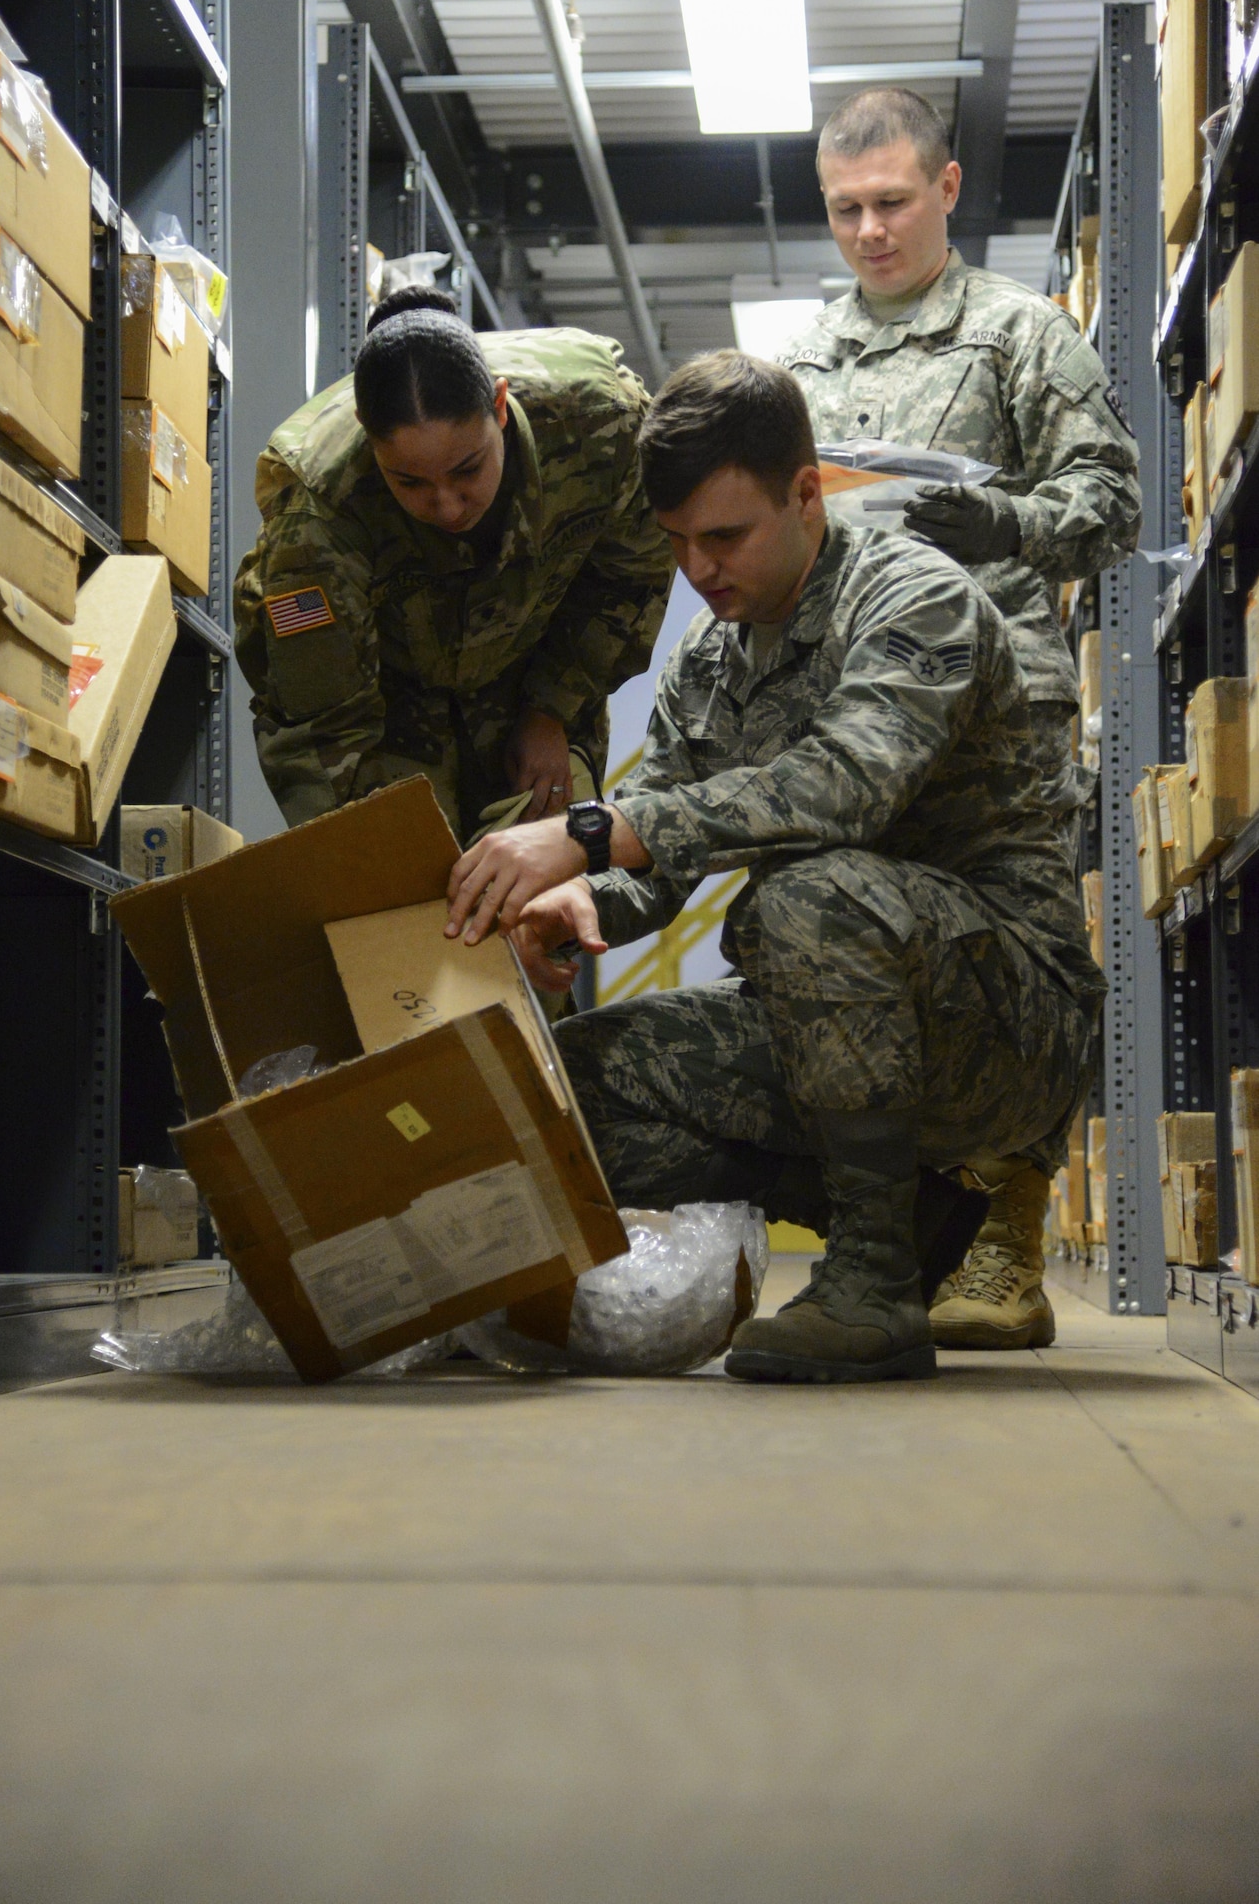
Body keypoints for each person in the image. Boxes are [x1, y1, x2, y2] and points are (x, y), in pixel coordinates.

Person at [441, 353, 1105, 1384]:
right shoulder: (711, 664)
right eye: (676, 545)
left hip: (1007, 1021)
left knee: (811, 893)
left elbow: (840, 788)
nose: (699, 571)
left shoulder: (915, 600)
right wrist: (583, 902)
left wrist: (581, 833)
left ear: (805, 495)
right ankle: (908, 1212)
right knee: (571, 1091)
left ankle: (875, 1281)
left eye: (724, 537)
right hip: (829, 1021)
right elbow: (649, 866)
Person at [777, 86, 1142, 1350]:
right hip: (857, 715)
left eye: (889, 201)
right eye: (843, 209)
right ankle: (898, 1231)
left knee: (1019, 959)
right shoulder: (805, 361)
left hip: (998, 712)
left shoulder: (1019, 334)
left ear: (943, 189)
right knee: (863, 958)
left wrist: (1009, 525)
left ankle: (1010, 1239)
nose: (868, 230)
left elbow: (1111, 499)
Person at [233, 288, 674, 845]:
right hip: (389, 701)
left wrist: (552, 710)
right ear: (371, 445)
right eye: (409, 482)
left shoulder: (602, 425)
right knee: (404, 897)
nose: (446, 505)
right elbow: (321, 723)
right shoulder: (318, 511)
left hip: (537, 667)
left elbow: (629, 578)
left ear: (498, 405)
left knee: (550, 886)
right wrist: (378, 846)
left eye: (467, 469)